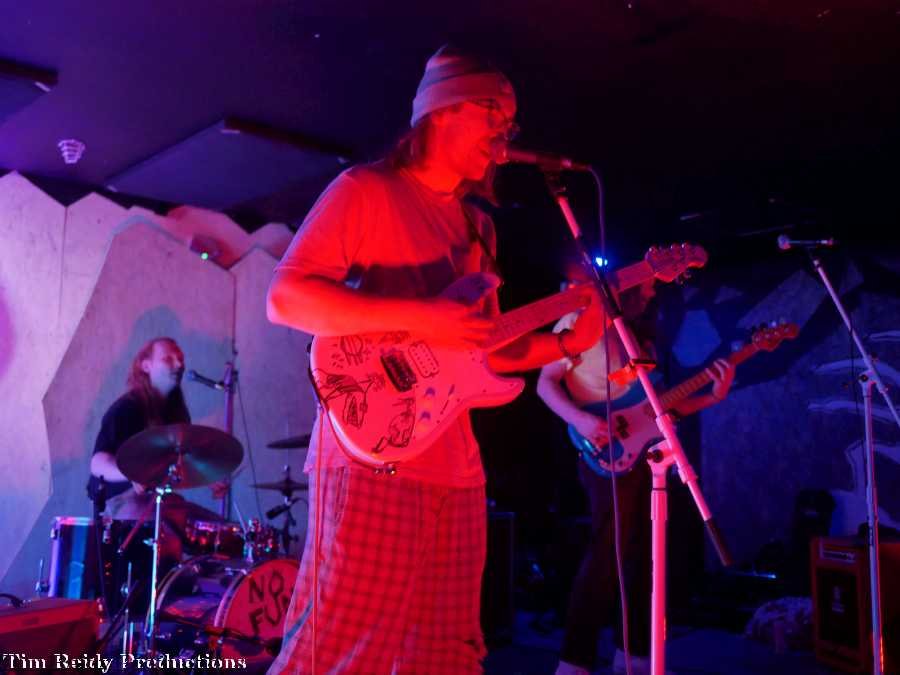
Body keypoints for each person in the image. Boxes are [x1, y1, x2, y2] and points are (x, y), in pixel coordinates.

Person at [265, 45, 603, 673]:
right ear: (442, 110)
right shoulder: (367, 190)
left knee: (448, 652)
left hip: (456, 467)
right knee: (341, 650)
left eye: (511, 124)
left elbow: (483, 347)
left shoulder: (478, 226)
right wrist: (427, 317)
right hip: (371, 455)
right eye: (494, 115)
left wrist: (565, 343)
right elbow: (285, 299)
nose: (505, 135)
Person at [537, 280, 735, 675]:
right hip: (604, 448)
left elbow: (658, 410)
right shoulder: (579, 320)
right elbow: (545, 382)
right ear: (624, 283)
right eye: (644, 287)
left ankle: (635, 658)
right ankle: (573, 663)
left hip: (645, 455)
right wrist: (580, 419)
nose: (650, 295)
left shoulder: (640, 340)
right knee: (605, 554)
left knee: (647, 556)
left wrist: (713, 396)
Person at [88, 337, 225, 571]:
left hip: (159, 503)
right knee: (168, 531)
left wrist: (208, 476)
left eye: (180, 359)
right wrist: (130, 473)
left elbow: (176, 463)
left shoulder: (175, 414)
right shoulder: (126, 408)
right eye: (168, 359)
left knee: (221, 532)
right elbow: (97, 463)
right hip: (120, 504)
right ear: (146, 365)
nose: (179, 365)